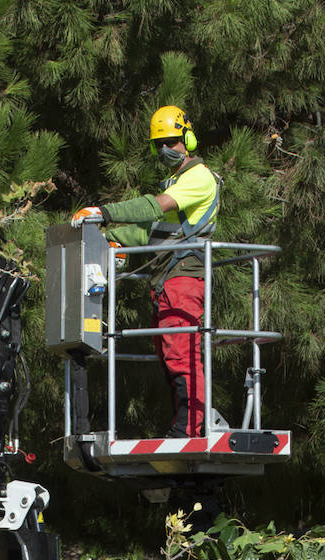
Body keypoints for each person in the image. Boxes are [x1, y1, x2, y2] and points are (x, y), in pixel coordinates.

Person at [72, 106, 221, 438]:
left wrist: (103, 213)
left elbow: (155, 206)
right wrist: (110, 239)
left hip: (184, 275)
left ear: (188, 139)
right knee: (169, 353)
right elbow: (150, 232)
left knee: (181, 352)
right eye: (159, 144)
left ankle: (188, 429)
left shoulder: (198, 178)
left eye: (172, 142)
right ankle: (183, 425)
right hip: (167, 278)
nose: (166, 149)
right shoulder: (176, 181)